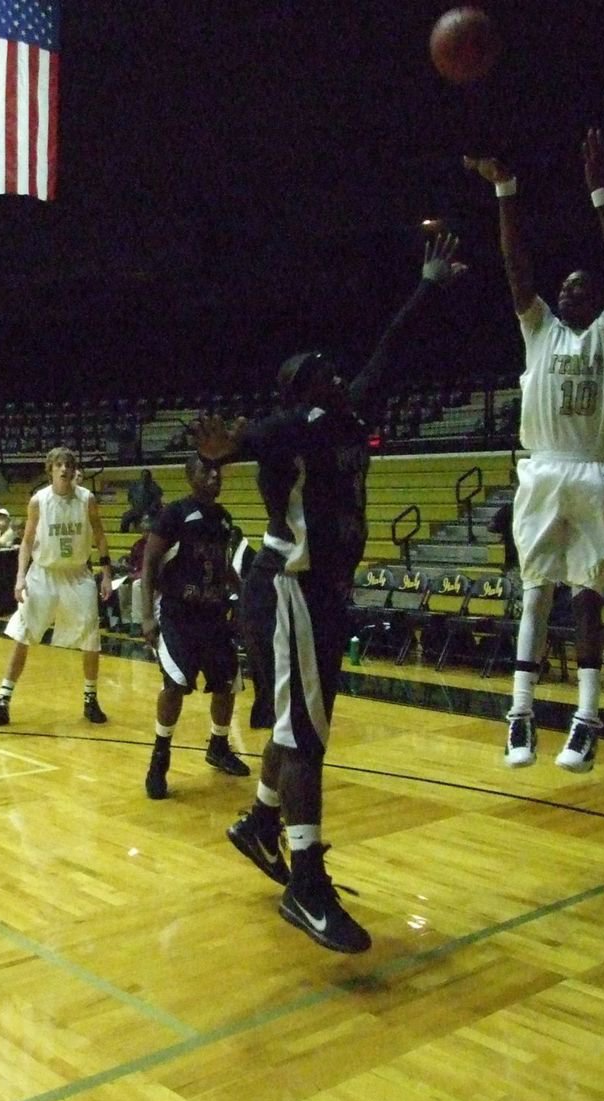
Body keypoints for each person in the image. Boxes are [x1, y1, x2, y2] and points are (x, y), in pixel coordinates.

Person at [196, 233, 466, 954]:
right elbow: (252, 435)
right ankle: (306, 884)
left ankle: (261, 821)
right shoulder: (293, 428)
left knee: (300, 727)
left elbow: (388, 353)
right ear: (301, 389)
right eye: (321, 372)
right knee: (305, 736)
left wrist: (428, 285)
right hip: (288, 589)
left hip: (320, 594)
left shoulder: (348, 415)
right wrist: (224, 446)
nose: (336, 375)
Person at [465, 127, 604, 774]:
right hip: (541, 470)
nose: (568, 291)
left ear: (595, 301)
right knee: (535, 593)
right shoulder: (538, 331)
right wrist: (506, 190)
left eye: (579, 287)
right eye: (563, 287)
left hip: (591, 470)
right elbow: (514, 266)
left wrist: (600, 191)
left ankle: (588, 720)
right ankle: (520, 714)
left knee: (587, 594)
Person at [0, 447, 112, 728]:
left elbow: (99, 535)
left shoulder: (87, 499)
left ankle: (90, 699)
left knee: (91, 637)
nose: (63, 469)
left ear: (75, 470)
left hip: (77, 574)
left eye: (68, 465)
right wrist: (19, 577)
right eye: (58, 464)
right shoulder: (39, 501)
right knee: (23, 634)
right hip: (44, 574)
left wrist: (107, 572)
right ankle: (2, 702)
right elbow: (26, 541)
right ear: (50, 469)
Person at [140, 454, 248, 798]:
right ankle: (160, 756)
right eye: (207, 470)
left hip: (214, 615)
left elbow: (223, 564)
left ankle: (218, 745)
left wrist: (242, 596)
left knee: (227, 683)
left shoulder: (224, 519)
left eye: (218, 470)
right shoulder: (174, 514)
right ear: (191, 477)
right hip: (179, 615)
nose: (215, 476)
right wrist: (146, 616)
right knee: (175, 685)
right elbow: (148, 566)